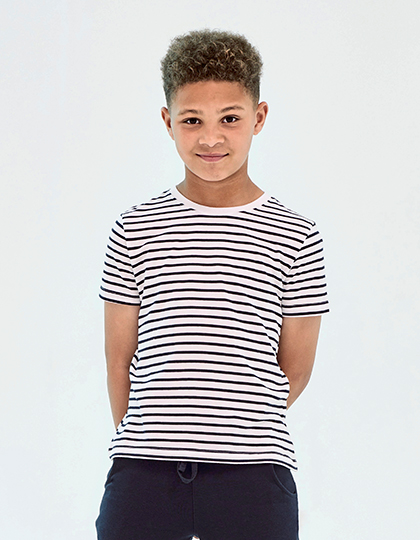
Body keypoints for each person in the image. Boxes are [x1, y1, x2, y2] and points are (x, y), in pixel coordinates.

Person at [96, 28, 329, 540]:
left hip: (254, 475)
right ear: (168, 122)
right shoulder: (135, 228)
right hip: (145, 473)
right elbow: (118, 360)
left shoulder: (296, 234)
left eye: (229, 118)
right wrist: (151, 440)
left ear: (258, 118)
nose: (210, 138)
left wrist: (234, 426)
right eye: (192, 120)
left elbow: (295, 368)